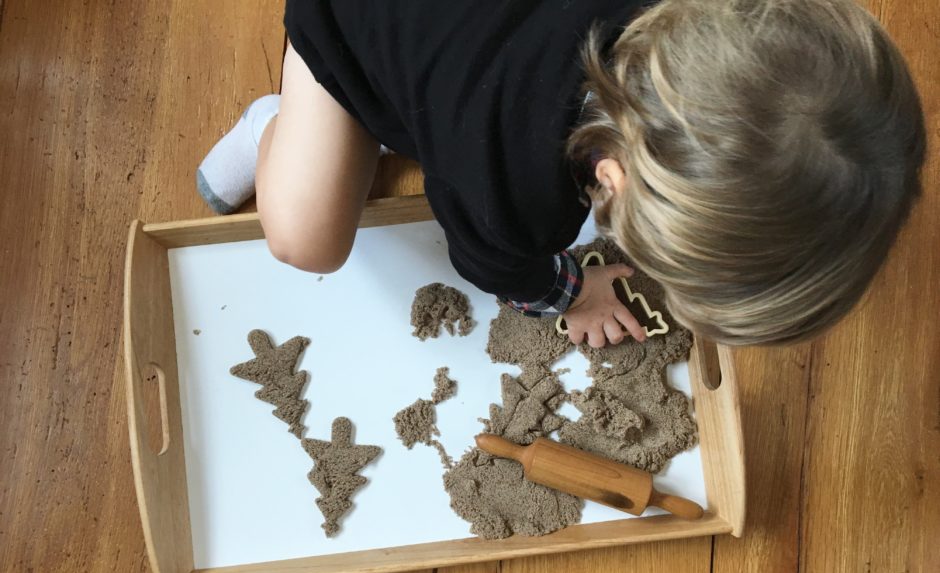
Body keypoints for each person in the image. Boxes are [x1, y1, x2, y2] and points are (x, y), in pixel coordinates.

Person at [196, 0, 925, 348]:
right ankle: (281, 121)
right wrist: (569, 293)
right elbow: (488, 258)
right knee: (306, 237)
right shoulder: (507, 187)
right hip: (351, 23)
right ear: (611, 178)